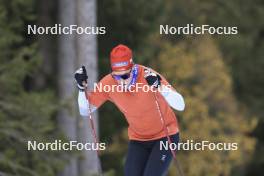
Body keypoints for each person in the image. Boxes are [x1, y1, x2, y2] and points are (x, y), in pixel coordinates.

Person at [74, 44, 185, 176]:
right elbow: (85, 110)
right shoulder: (108, 84)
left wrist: (160, 86)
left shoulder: (148, 76)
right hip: (139, 139)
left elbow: (180, 105)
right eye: (117, 77)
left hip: (165, 137)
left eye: (125, 76)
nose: (121, 82)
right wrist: (81, 90)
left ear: (133, 69)